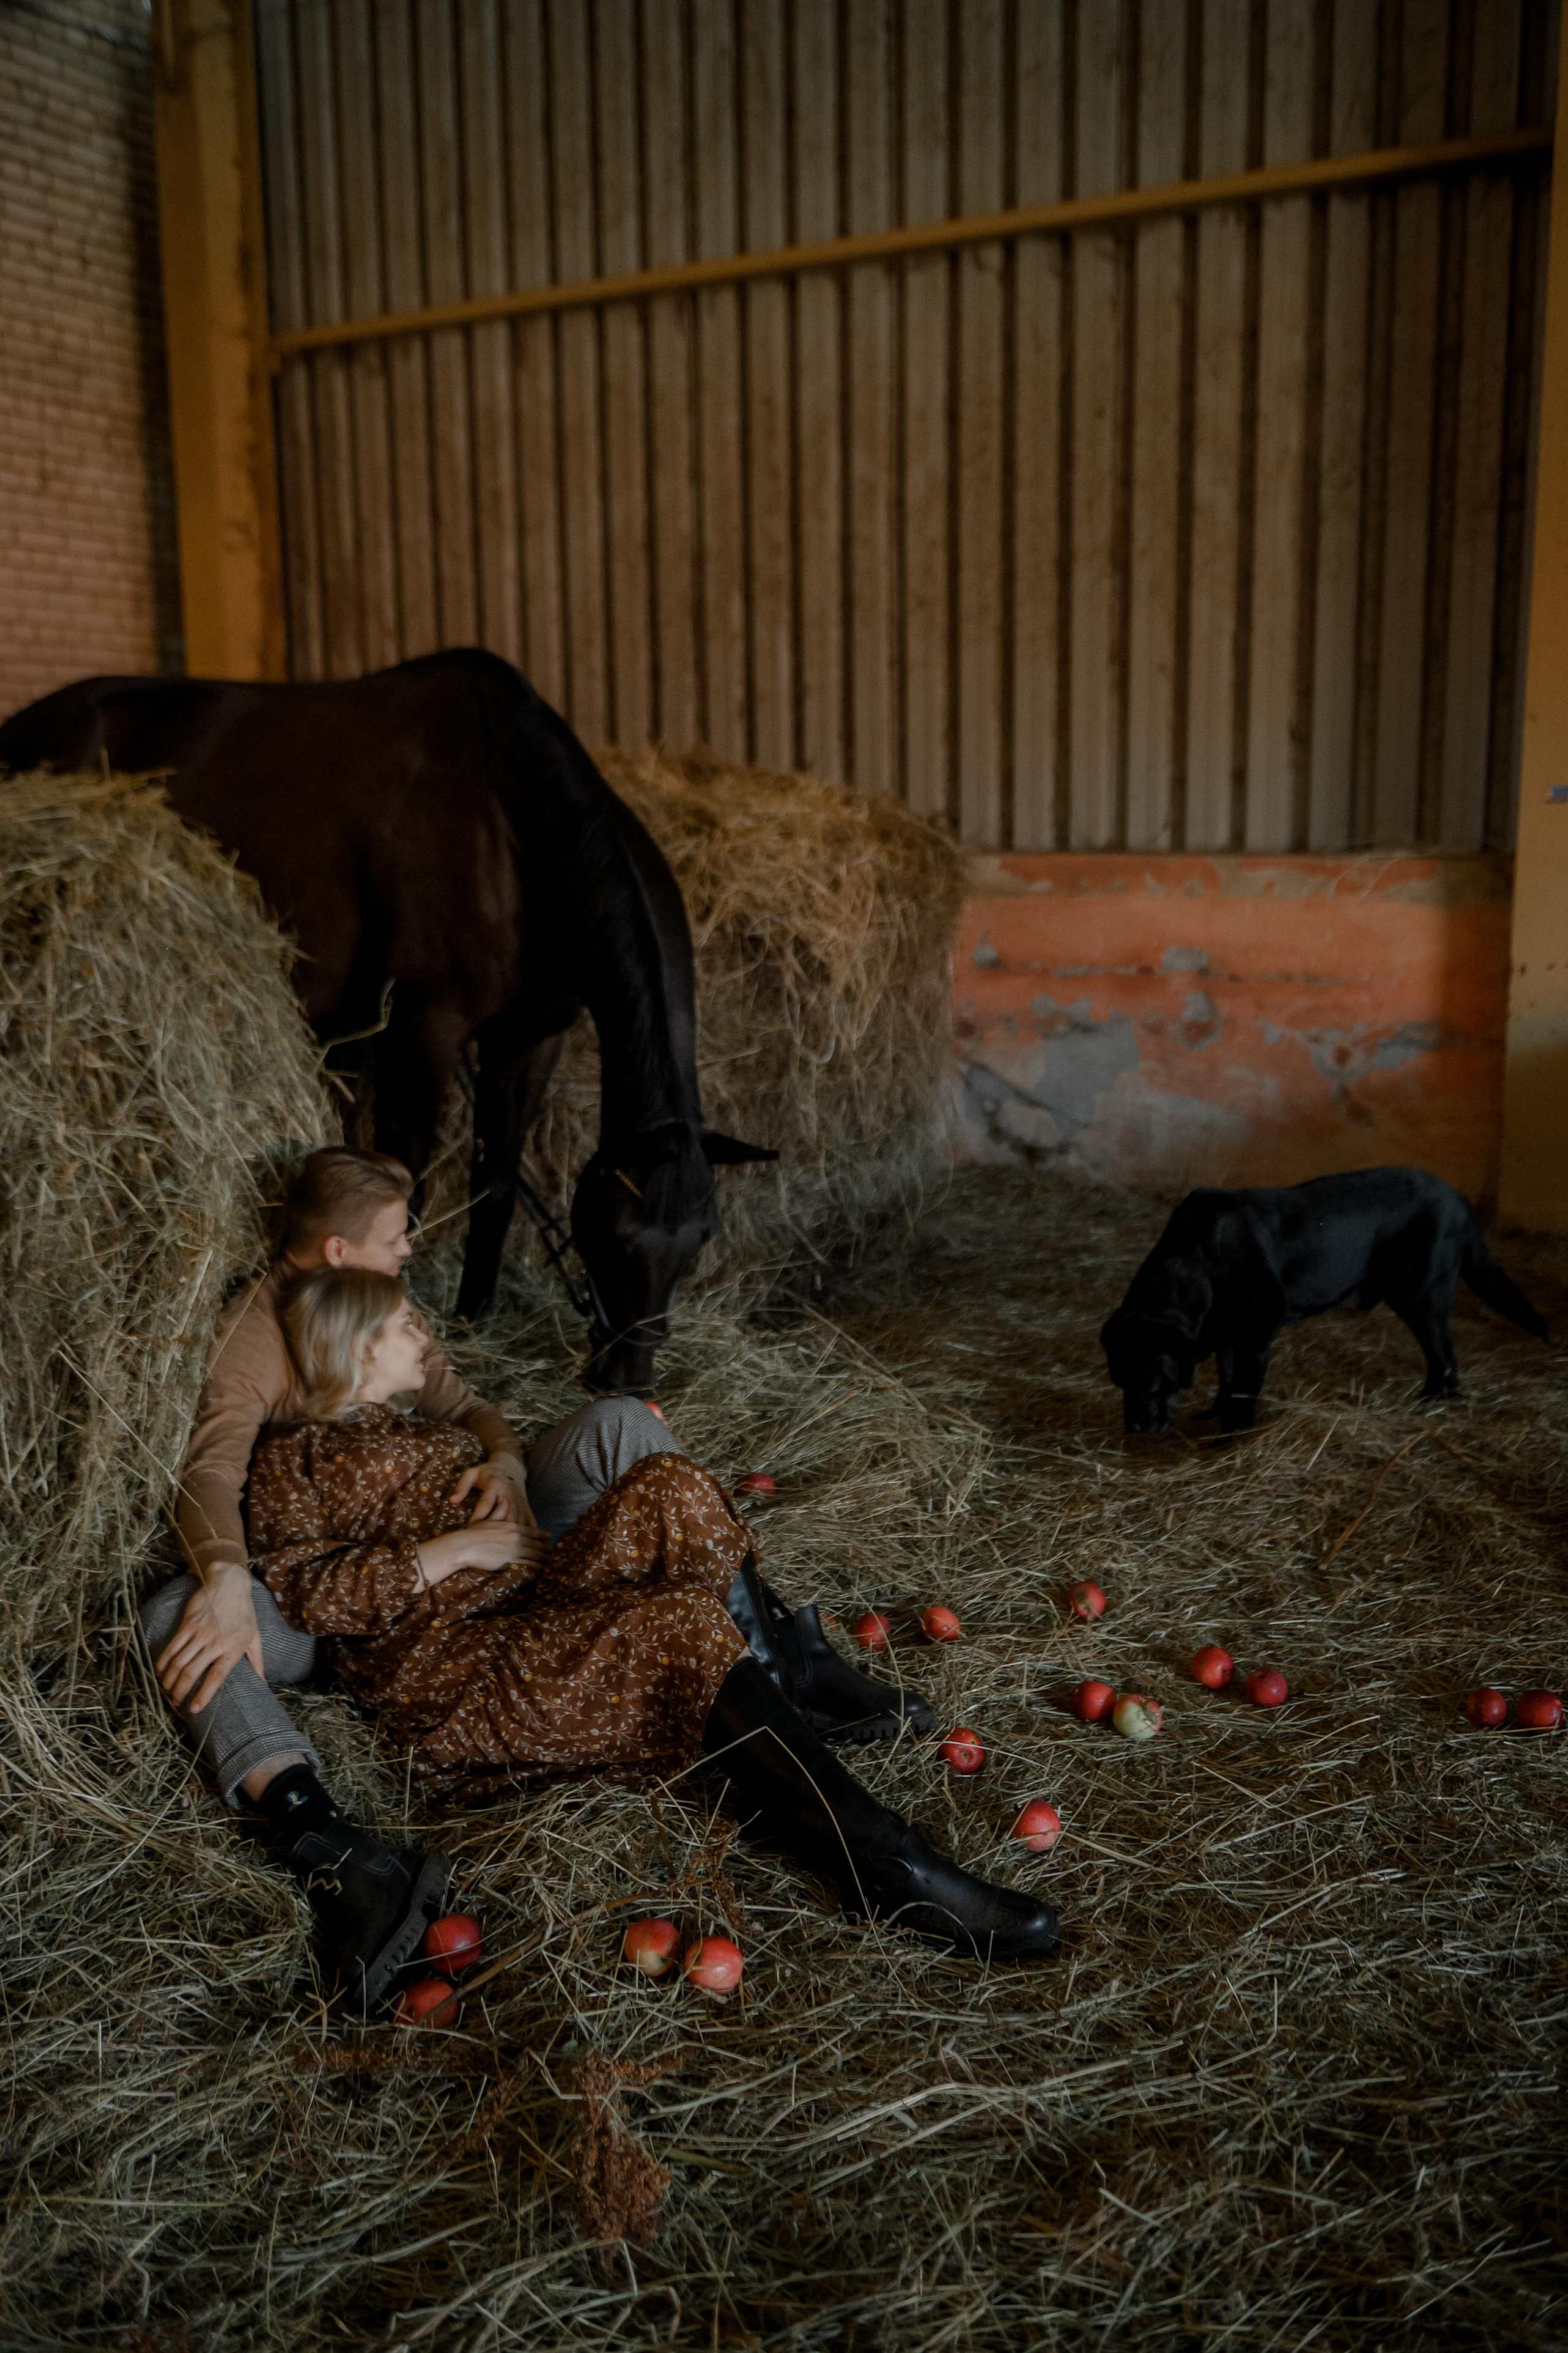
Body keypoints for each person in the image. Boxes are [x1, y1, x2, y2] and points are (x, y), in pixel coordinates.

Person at [140, 1148, 944, 2008]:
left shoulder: (380, 1326)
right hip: (369, 1606)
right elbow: (215, 1475)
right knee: (179, 1612)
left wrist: (507, 1470)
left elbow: (466, 1403)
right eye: (396, 1240)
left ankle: (783, 1664)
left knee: (629, 1431)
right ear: (340, 1256)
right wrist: (231, 1575)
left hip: (487, 1572)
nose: (412, 1251)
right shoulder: (257, 1346)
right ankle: (336, 1850)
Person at [242, 1266, 1058, 1965]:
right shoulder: (292, 1461)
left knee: (666, 1487)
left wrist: (502, 1476)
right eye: (402, 1320)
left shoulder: (424, 1422)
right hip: (456, 1675)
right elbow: (307, 1596)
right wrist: (455, 1552)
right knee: (681, 1626)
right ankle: (888, 1863)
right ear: (353, 1346)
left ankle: (780, 1715)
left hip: (529, 1608)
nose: (423, 1328)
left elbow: (497, 1448)